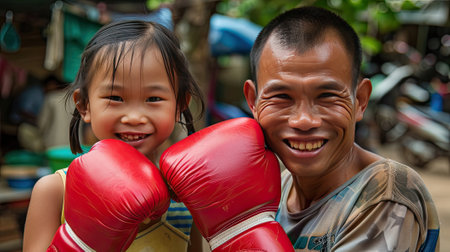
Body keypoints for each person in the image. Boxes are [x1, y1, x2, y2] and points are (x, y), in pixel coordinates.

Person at [243, 6, 440, 251]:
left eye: (327, 96)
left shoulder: (384, 193)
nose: (304, 120)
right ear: (253, 101)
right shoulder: (279, 189)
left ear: (360, 100)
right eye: (281, 96)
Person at [23, 20, 205, 251]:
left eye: (153, 99)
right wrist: (81, 239)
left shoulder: (187, 198)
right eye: (115, 98)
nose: (134, 117)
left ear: (179, 105)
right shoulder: (56, 191)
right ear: (84, 105)